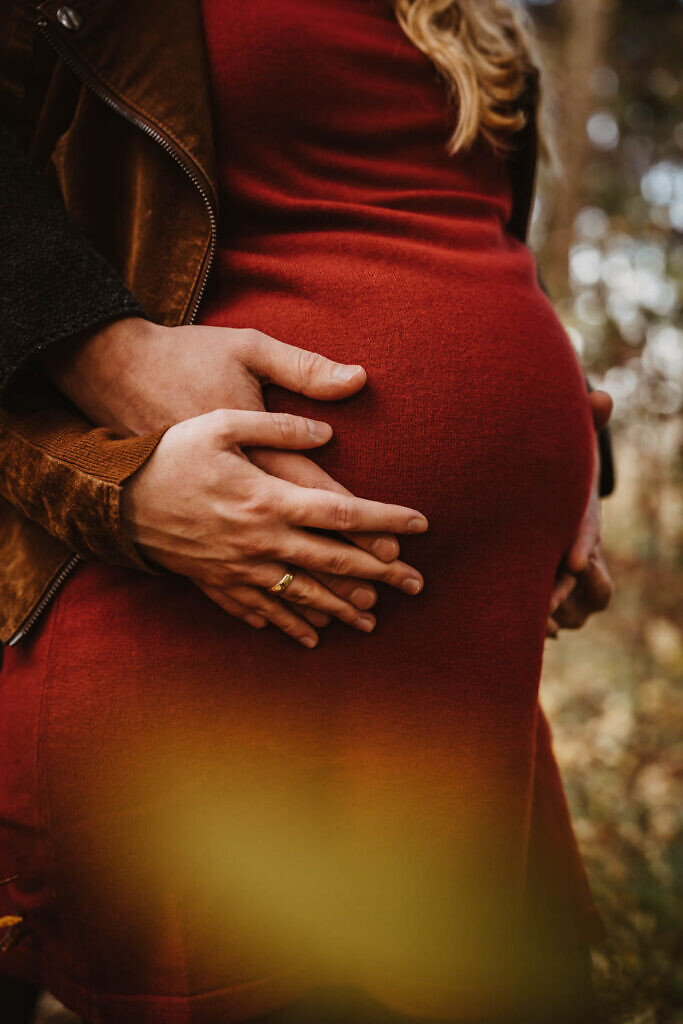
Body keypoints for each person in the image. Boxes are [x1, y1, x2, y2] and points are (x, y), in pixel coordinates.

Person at [0, 1, 615, 1022]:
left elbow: (472, 234)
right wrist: (102, 355)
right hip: (202, 649)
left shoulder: (472, 13)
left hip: (464, 685)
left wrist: (574, 433)